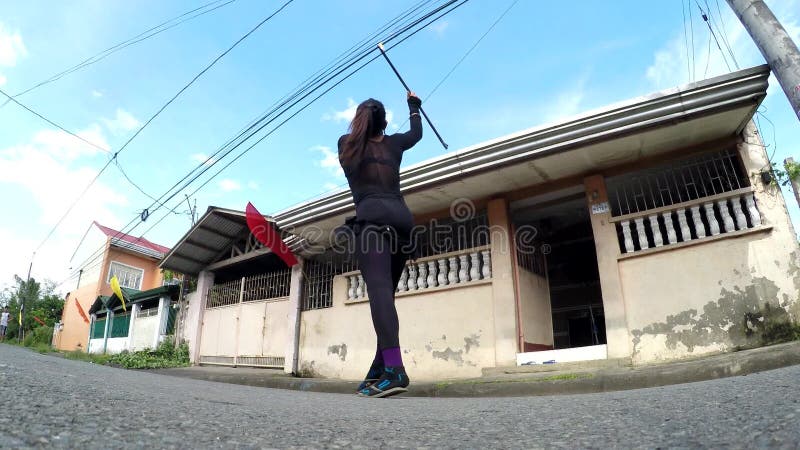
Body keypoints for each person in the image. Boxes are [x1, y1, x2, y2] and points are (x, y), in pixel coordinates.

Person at [338, 91, 423, 397]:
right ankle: (378, 369)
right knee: (385, 297)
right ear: (385, 122)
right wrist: (414, 106)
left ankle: (395, 370)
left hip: (372, 220)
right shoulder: (395, 144)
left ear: (360, 121)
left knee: (379, 295)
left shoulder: (345, 145)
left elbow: (358, 141)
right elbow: (416, 133)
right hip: (402, 220)